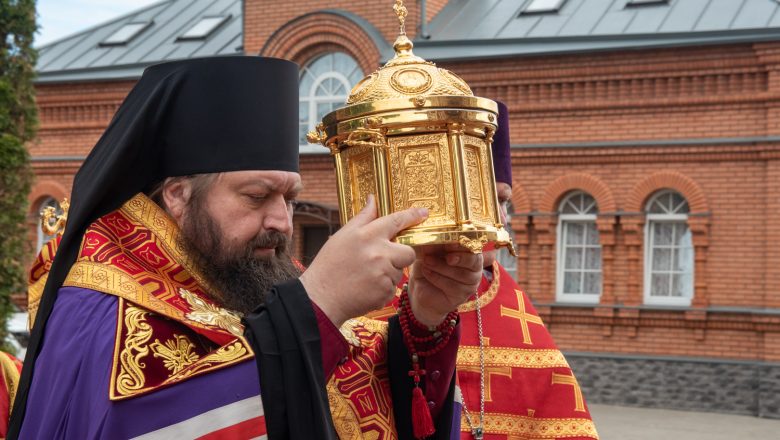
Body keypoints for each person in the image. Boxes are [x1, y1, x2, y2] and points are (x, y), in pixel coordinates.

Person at [9, 56, 483, 439]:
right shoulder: (100, 304)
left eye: (289, 199)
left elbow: (361, 398)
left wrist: (424, 320)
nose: (280, 220)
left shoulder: (247, 268)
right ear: (178, 195)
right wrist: (316, 308)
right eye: (257, 196)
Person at [369, 102, 599, 440]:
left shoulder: (517, 311)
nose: (502, 219)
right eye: (484, 199)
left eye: (505, 202)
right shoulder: (374, 294)